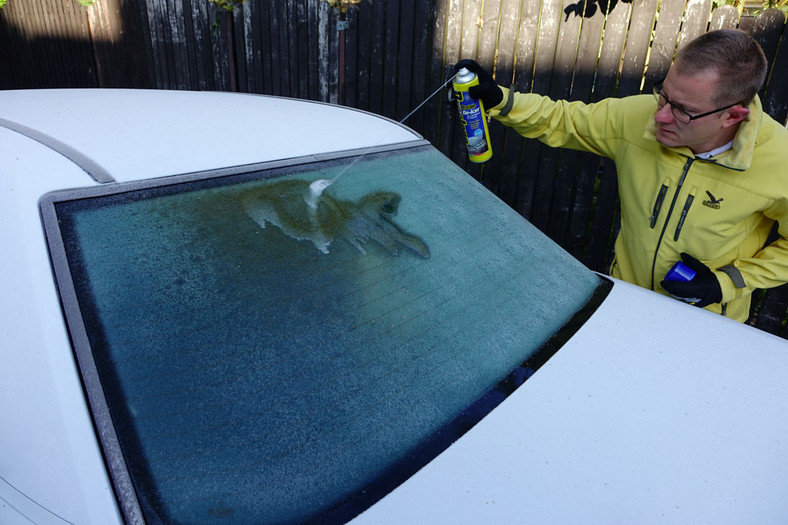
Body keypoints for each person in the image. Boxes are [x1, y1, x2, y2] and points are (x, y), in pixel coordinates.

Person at [455, 28, 788, 322]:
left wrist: (726, 282)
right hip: (625, 303)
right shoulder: (640, 116)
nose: (661, 117)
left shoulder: (778, 162)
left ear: (732, 116)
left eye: (684, 110)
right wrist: (501, 101)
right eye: (665, 95)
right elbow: (563, 119)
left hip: (707, 323)